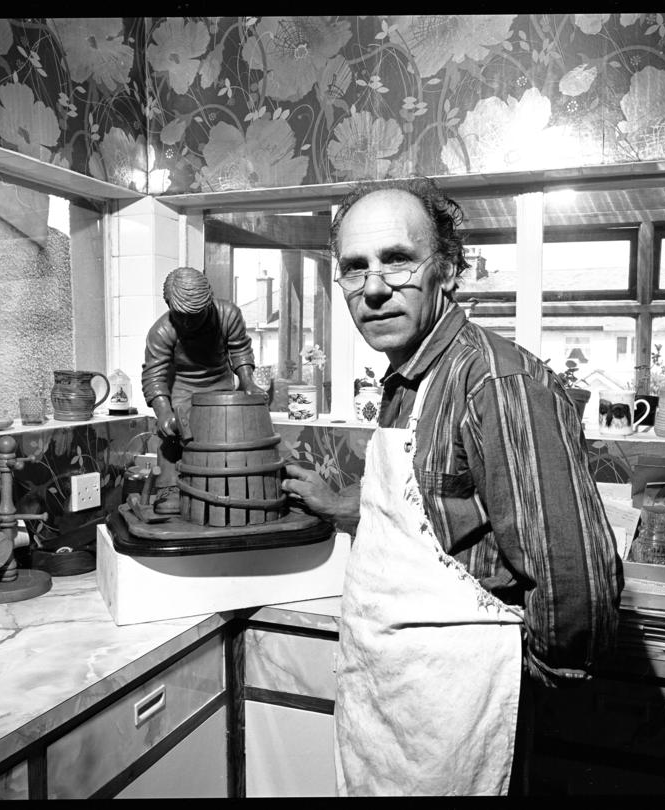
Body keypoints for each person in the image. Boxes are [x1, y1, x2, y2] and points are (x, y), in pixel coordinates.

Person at [282, 178, 624, 796]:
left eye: (397, 260)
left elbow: (577, 588)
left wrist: (512, 683)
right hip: (391, 702)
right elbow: (438, 512)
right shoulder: (406, 378)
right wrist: (343, 507)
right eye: (354, 269)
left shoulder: (496, 380)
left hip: (460, 709)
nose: (375, 287)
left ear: (446, 271)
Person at [142, 266, 267, 514]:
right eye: (182, 315)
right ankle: (170, 488)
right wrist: (164, 413)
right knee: (171, 438)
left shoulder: (228, 314)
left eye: (196, 315)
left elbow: (240, 349)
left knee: (229, 436)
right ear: (169, 306)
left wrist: (247, 381)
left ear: (209, 301)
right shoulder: (162, 331)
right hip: (182, 390)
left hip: (220, 386)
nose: (189, 322)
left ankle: (229, 485)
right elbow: (154, 376)